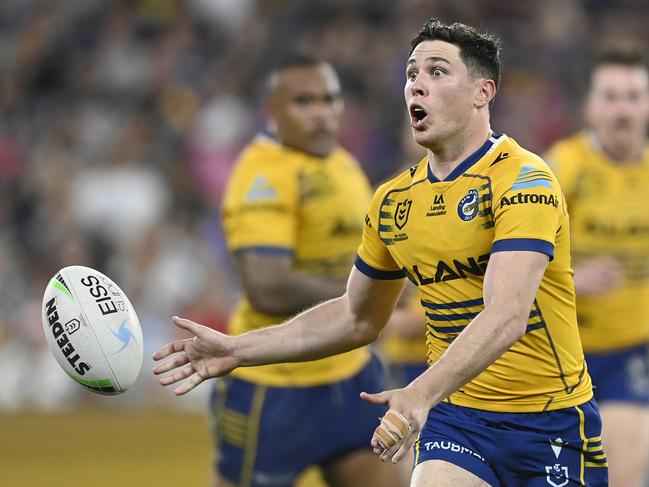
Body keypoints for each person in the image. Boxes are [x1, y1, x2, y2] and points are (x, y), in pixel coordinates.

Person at [154, 20, 608, 486]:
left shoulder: (525, 179)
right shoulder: (393, 201)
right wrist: (237, 348)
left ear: (482, 92)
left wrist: (418, 393)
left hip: (549, 418)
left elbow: (508, 314)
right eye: (412, 73)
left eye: (437, 71)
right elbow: (355, 317)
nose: (417, 84)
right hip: (458, 419)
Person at [200, 54, 402, 487]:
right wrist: (364, 297)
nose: (322, 114)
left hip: (351, 377)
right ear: (273, 110)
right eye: (304, 102)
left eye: (330, 100)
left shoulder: (342, 165)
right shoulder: (262, 174)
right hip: (272, 386)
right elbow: (266, 288)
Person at [546, 44, 649, 487]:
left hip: (630, 353)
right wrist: (570, 279)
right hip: (559, 356)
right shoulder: (560, 167)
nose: (622, 110)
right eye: (610, 97)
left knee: (622, 475)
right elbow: (509, 257)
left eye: (633, 96)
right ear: (590, 106)